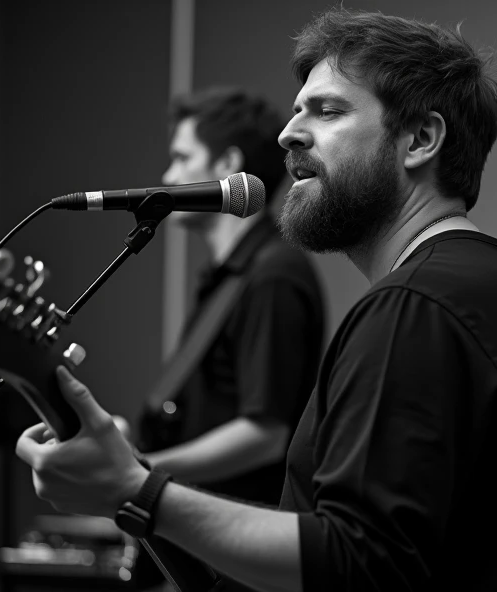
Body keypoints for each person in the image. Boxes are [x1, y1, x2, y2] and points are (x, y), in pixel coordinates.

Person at [16, 9, 497, 592]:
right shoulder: (477, 289)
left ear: (421, 139)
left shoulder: (416, 305)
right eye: (297, 109)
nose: (290, 133)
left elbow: (357, 561)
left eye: (329, 110)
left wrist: (135, 489)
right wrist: (133, 491)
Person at [131, 87, 325, 509]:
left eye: (182, 158)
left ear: (227, 165)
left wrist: (141, 471)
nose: (167, 178)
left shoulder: (274, 274)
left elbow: (265, 436)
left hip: (241, 546)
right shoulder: (230, 277)